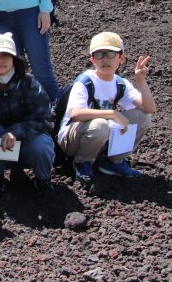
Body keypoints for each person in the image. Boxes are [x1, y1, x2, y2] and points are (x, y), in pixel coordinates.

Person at [57, 31, 157, 184]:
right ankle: (82, 162)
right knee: (100, 124)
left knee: (142, 117)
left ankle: (113, 161)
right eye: (99, 54)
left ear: (121, 58)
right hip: (72, 140)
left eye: (110, 54)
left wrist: (141, 81)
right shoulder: (85, 81)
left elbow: (149, 109)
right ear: (92, 59)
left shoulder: (120, 83)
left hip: (99, 135)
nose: (104, 59)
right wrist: (112, 113)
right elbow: (75, 114)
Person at [0, 32, 56, 198]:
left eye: (6, 55)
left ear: (14, 59)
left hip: (27, 144)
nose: (0, 60)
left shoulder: (29, 83)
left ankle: (42, 180)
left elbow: (45, 119)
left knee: (42, 143)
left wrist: (16, 132)